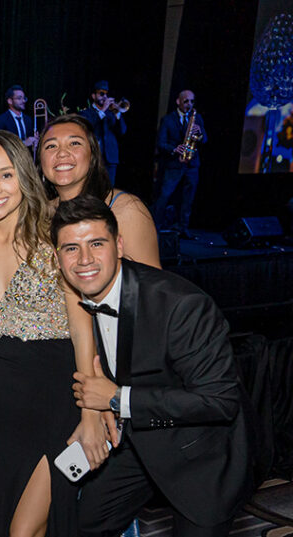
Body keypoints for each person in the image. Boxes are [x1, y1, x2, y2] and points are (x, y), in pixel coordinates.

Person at [53, 195, 253, 537]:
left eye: (96, 244)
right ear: (57, 258)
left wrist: (117, 399)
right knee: (83, 524)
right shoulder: (77, 299)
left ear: (118, 246)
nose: (84, 259)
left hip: (200, 453)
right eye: (71, 248)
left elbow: (220, 401)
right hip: (138, 443)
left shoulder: (180, 306)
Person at [0, 130, 106, 536]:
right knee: (3, 521)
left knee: (24, 530)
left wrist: (92, 411)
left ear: (24, 176)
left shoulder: (56, 233)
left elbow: (82, 324)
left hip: (57, 394)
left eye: (5, 175)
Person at [38, 114, 160, 268]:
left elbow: (152, 286)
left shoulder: (126, 210)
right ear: (41, 160)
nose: (62, 153)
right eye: (51, 146)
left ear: (92, 156)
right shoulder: (40, 215)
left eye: (74, 143)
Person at [152, 89, 206, 238]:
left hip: (192, 164)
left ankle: (183, 228)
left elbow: (205, 139)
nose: (189, 104)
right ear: (178, 101)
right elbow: (161, 143)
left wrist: (199, 134)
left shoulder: (197, 118)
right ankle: (156, 227)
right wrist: (175, 149)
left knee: (188, 198)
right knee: (165, 195)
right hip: (174, 164)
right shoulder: (168, 120)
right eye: (186, 101)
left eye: (192, 101)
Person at [79, 81, 127, 185]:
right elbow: (87, 127)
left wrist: (118, 113)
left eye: (106, 94)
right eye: (101, 94)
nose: (104, 97)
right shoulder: (86, 113)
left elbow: (122, 131)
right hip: (94, 158)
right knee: (94, 190)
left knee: (109, 191)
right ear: (93, 96)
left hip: (110, 159)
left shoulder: (111, 114)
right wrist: (103, 110)